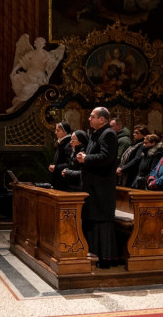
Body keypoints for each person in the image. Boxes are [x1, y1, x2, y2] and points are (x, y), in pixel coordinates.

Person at [77, 107, 119, 268]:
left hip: (101, 188)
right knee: (90, 219)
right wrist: (83, 156)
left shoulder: (108, 134)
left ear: (102, 119)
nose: (89, 118)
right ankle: (92, 254)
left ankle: (104, 258)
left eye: (92, 116)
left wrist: (86, 158)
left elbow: (107, 157)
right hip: (92, 186)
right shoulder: (96, 134)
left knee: (100, 221)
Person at [7, 34, 66, 112]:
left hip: (38, 79)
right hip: (28, 76)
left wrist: (50, 63)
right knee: (19, 83)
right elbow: (21, 62)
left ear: (43, 44)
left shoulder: (46, 54)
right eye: (37, 43)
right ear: (35, 44)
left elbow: (50, 65)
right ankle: (18, 108)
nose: (38, 44)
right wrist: (14, 70)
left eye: (40, 43)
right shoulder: (32, 53)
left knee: (27, 90)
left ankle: (16, 108)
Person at [48, 122, 73, 190]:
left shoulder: (68, 144)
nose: (55, 132)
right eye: (55, 130)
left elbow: (69, 163)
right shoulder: (62, 142)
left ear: (65, 131)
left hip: (64, 180)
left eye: (58, 130)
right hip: (58, 177)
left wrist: (56, 167)